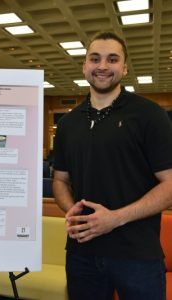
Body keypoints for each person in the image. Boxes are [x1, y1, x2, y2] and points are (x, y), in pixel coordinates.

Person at [52, 31, 172, 300]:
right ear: (85, 66)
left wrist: (115, 219)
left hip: (138, 256)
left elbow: (170, 183)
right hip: (82, 254)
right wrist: (70, 209)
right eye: (95, 58)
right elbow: (60, 180)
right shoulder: (68, 124)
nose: (103, 66)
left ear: (124, 67)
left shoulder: (149, 115)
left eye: (112, 59)